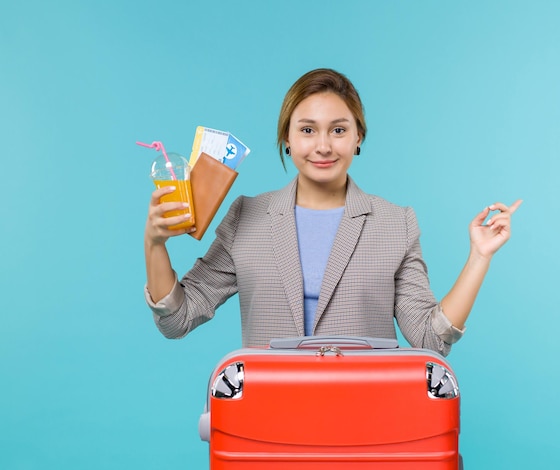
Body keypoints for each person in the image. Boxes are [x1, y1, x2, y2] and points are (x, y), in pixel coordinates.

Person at [144, 68, 522, 356]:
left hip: (364, 429)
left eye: (338, 130)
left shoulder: (396, 224)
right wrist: (155, 243)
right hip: (269, 425)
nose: (322, 146)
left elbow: (429, 337)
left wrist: (479, 257)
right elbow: (179, 318)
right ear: (287, 140)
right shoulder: (247, 216)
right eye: (307, 130)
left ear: (358, 137)